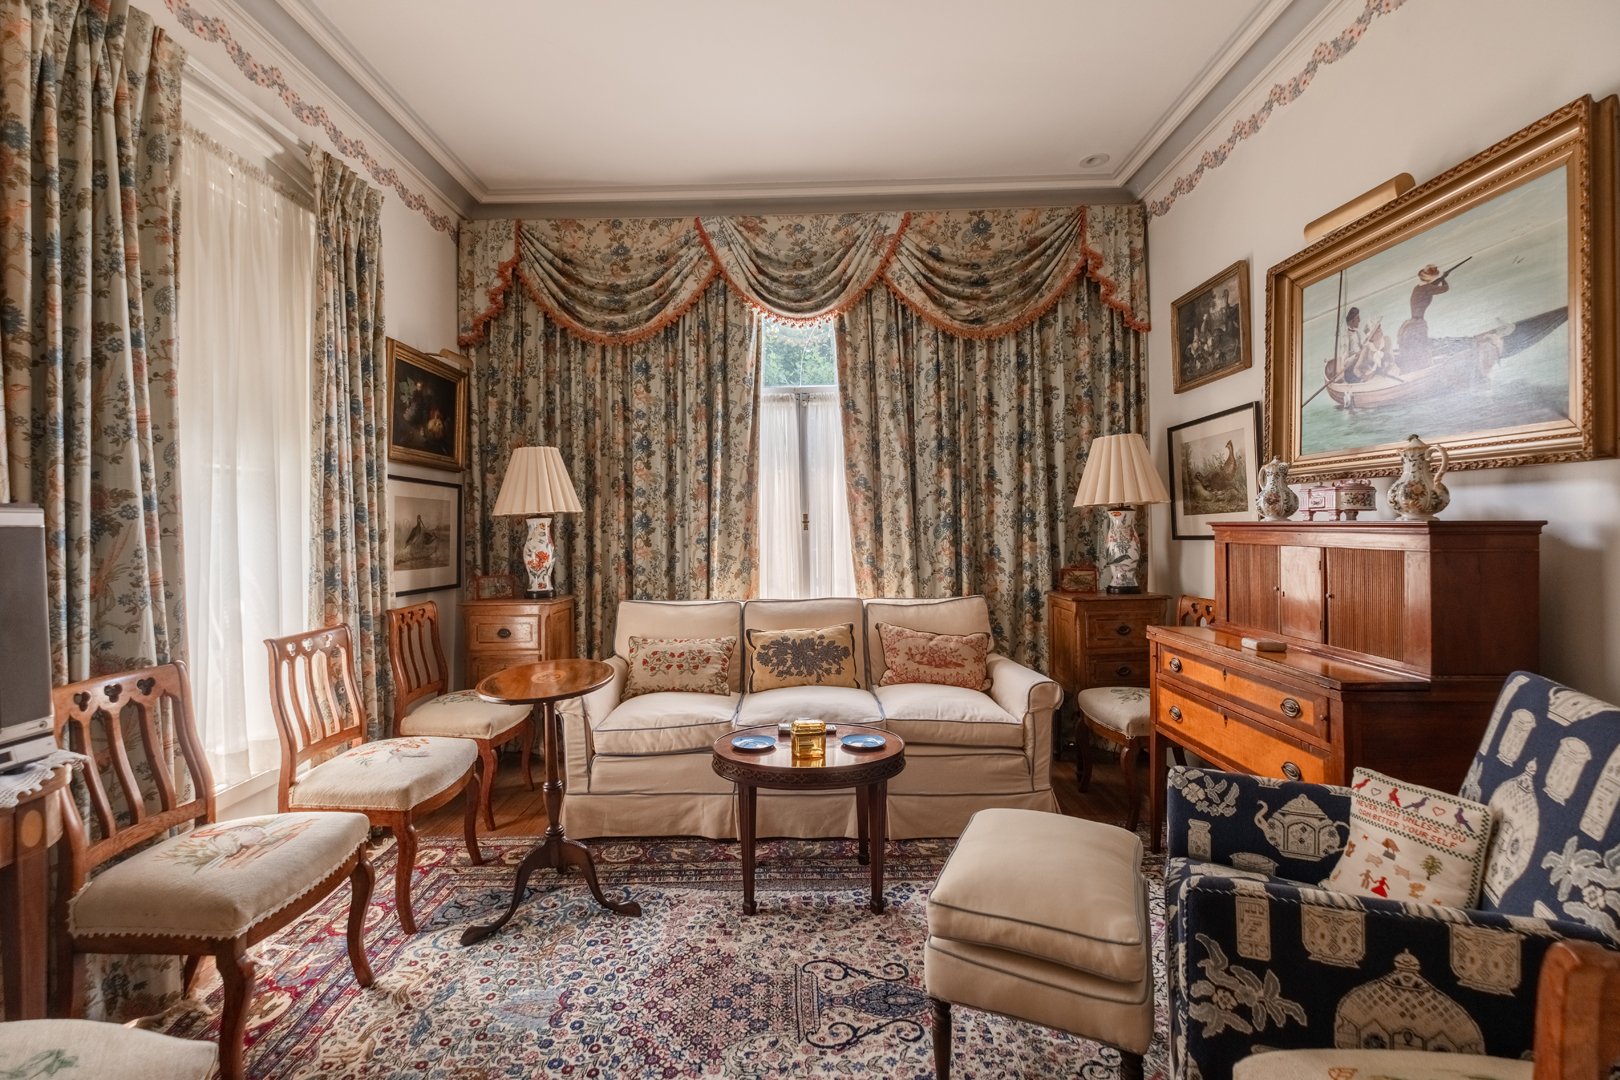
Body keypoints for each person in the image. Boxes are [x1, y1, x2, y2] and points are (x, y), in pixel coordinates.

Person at [1397, 263, 1451, 369]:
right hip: (1418, 324)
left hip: (1412, 322)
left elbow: (1431, 286)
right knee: (1423, 347)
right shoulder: (1427, 288)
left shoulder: (1417, 288)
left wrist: (1441, 278)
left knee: (1419, 347)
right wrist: (1444, 279)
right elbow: (1445, 288)